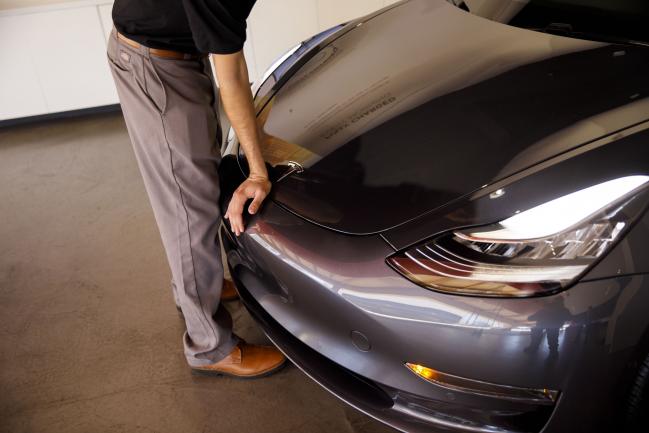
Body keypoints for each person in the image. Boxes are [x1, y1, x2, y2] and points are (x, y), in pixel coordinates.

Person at [106, 0, 286, 378]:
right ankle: (210, 347)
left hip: (172, 50)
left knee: (193, 184)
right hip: (155, 62)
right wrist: (257, 172)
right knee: (190, 207)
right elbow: (232, 77)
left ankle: (193, 289)